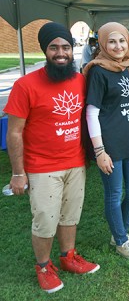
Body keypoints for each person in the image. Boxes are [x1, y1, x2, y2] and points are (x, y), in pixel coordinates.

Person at [5, 22, 99, 294]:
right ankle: (43, 267)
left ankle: (68, 257)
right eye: (54, 47)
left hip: (75, 162)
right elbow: (14, 133)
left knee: (70, 215)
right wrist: (18, 173)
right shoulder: (25, 85)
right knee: (46, 218)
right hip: (41, 166)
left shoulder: (80, 79)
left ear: (73, 50)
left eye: (66, 47)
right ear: (45, 50)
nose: (61, 53)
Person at [83, 22, 129, 259]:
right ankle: (120, 240)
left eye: (122, 41)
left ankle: (120, 231)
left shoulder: (125, 68)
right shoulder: (99, 71)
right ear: (103, 44)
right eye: (112, 41)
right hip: (110, 144)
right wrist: (100, 151)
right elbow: (92, 113)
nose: (118, 46)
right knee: (114, 194)